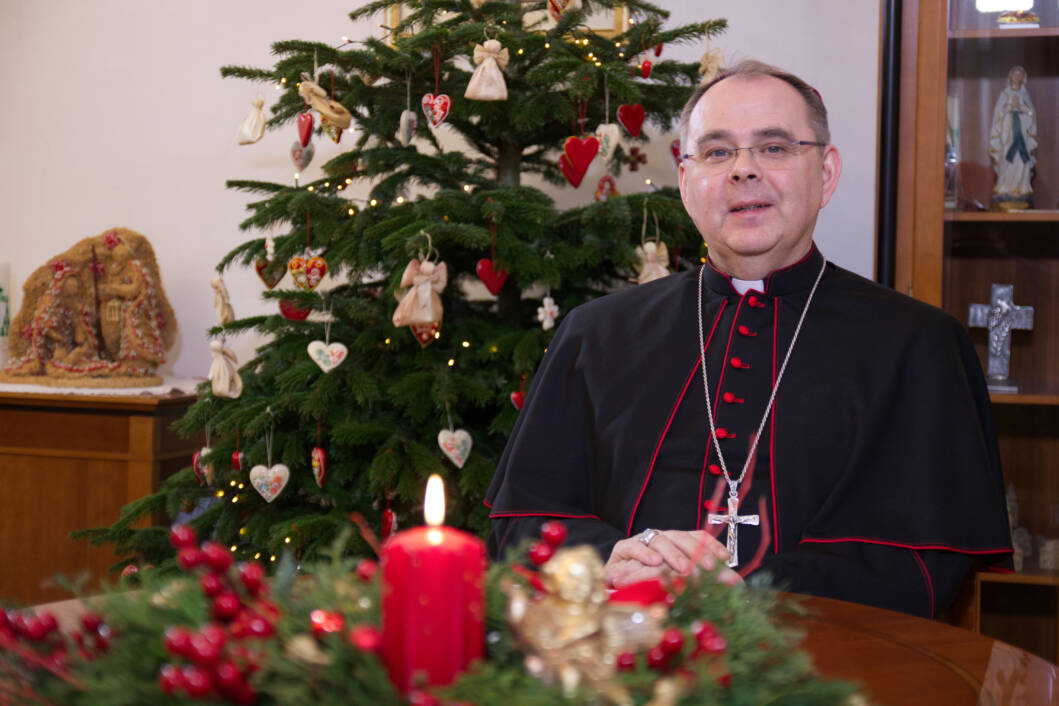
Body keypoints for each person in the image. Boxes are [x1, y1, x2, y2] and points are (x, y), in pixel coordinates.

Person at [485, 60, 1013, 619]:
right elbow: (522, 521)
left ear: (826, 174)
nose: (743, 170)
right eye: (716, 152)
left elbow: (929, 560)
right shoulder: (595, 334)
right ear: (685, 182)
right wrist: (607, 558)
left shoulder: (918, 346)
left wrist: (753, 589)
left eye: (775, 147)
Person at [988, 65, 1037, 210]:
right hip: (1008, 134)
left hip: (1022, 134)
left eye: (1020, 75)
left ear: (1023, 78)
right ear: (1010, 77)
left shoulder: (1025, 95)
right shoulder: (1004, 94)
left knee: (1021, 160)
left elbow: (1031, 115)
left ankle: (1021, 187)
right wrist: (1010, 106)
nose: (1017, 77)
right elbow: (998, 116)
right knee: (1007, 159)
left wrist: (1020, 107)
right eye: (1015, 74)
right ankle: (1005, 186)